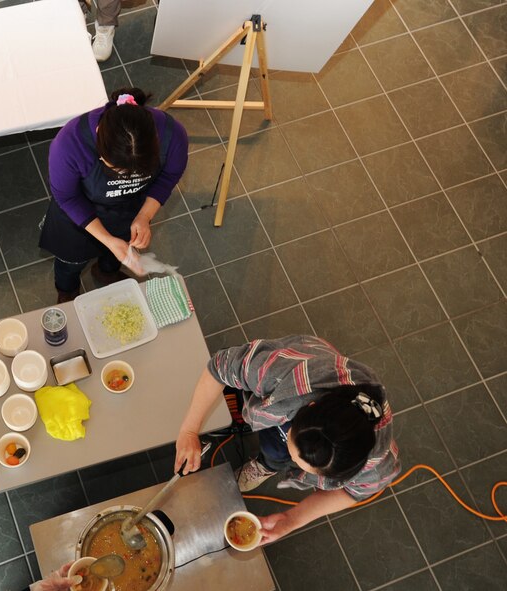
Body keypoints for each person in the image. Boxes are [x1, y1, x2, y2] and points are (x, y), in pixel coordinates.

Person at [175, 335, 400, 545]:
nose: (294, 463)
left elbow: (354, 492)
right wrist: (189, 431)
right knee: (275, 446)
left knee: (276, 456)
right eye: (294, 451)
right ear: (308, 406)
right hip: (305, 365)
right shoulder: (279, 372)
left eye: (310, 471)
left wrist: (290, 519)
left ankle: (267, 465)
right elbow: (220, 366)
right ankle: (272, 453)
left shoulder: (376, 464)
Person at [39, 87, 188, 303]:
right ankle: (68, 290)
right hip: (78, 216)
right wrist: (108, 239)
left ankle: (105, 272)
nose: (125, 177)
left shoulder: (173, 136)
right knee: (70, 263)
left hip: (128, 209)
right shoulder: (69, 144)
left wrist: (145, 215)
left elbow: (169, 176)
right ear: (99, 132)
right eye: (117, 171)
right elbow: (68, 197)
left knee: (118, 253)